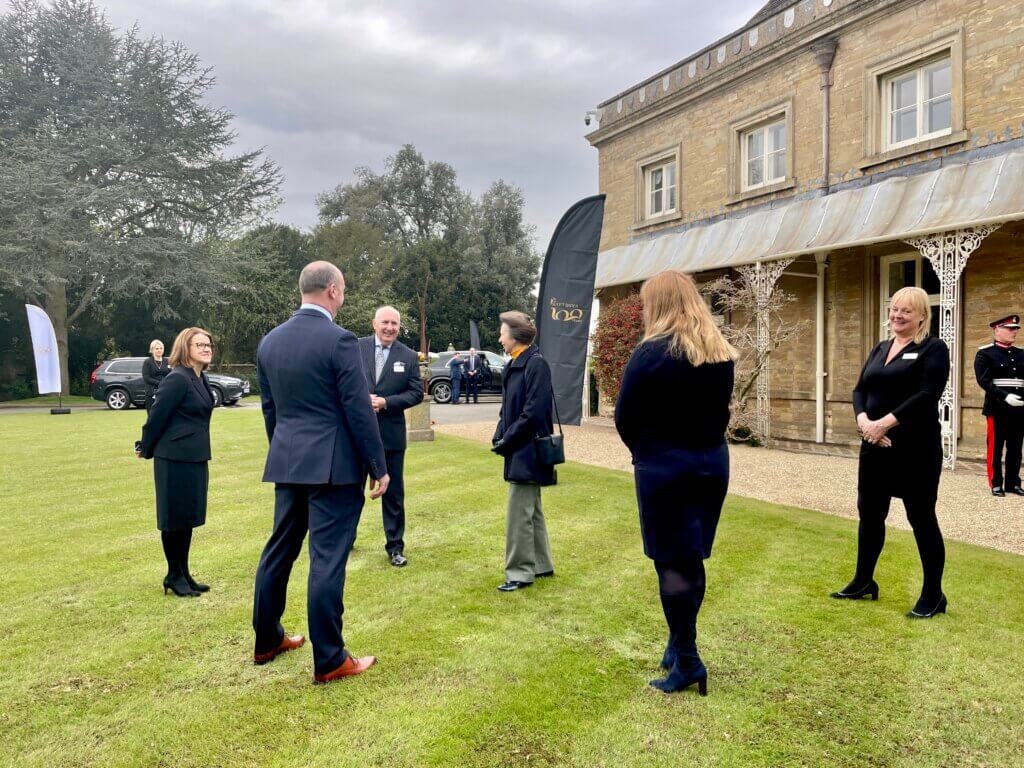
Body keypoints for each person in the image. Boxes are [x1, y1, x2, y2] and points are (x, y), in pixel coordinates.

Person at [251, 261, 389, 685]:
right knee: (326, 559)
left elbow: (271, 411)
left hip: (289, 461)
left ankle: (267, 639)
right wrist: (378, 467)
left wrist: (286, 451)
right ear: (332, 290)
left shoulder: (269, 342)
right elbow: (358, 409)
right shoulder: (340, 340)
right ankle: (330, 658)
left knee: (279, 551)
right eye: (342, 290)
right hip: (334, 467)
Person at [614, 271, 736, 696]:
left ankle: (687, 659)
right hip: (711, 462)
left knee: (671, 563)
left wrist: (645, 453)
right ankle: (679, 641)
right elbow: (722, 414)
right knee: (692, 557)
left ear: (660, 304)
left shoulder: (650, 353)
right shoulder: (719, 352)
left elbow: (624, 417)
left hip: (665, 466)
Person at [834, 286, 951, 619]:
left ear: (922, 316)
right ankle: (862, 581)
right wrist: (864, 422)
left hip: (915, 449)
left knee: (922, 518)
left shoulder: (933, 349)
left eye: (906, 311)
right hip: (874, 447)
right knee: (870, 515)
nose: (898, 315)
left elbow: (928, 394)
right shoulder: (881, 347)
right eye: (894, 309)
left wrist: (884, 423)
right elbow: (860, 389)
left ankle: (933, 594)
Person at [137, 327, 216, 598]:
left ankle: (183, 572)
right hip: (173, 457)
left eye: (208, 345)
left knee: (188, 517)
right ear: (186, 348)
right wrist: (145, 447)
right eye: (200, 345)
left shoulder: (200, 377)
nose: (206, 348)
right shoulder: (178, 378)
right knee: (173, 519)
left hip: (195, 456)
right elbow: (157, 415)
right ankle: (173, 574)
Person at [491, 311, 556, 592]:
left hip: (527, 449)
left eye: (502, 332)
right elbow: (508, 409)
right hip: (519, 446)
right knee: (532, 509)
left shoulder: (536, 365)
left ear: (516, 337)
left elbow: (533, 412)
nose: (499, 338)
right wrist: (499, 433)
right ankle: (541, 564)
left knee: (519, 512)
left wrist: (507, 439)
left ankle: (519, 573)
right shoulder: (515, 364)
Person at [358, 306, 424, 567]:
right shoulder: (355, 347)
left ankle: (395, 547)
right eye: (385, 322)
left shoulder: (407, 356)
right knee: (350, 490)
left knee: (394, 494)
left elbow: (416, 393)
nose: (390, 328)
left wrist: (386, 402)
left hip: (391, 436)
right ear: (374, 323)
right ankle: (345, 539)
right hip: (358, 435)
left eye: (394, 324)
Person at [974, 314, 1024, 497]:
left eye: (1015, 329)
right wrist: (1005, 396)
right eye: (1010, 329)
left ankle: (1012, 483)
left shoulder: (1021, 353)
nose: (1014, 332)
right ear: (996, 330)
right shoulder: (985, 353)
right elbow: (984, 381)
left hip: (1019, 408)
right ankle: (996, 483)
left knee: (1016, 448)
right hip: (997, 407)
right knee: (995, 448)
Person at [142, 339, 170, 412]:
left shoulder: (167, 361)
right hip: (152, 393)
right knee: (152, 415)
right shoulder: (147, 362)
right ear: (152, 350)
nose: (159, 350)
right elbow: (146, 377)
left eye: (161, 348)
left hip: (165, 392)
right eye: (157, 348)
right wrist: (159, 383)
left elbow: (171, 374)